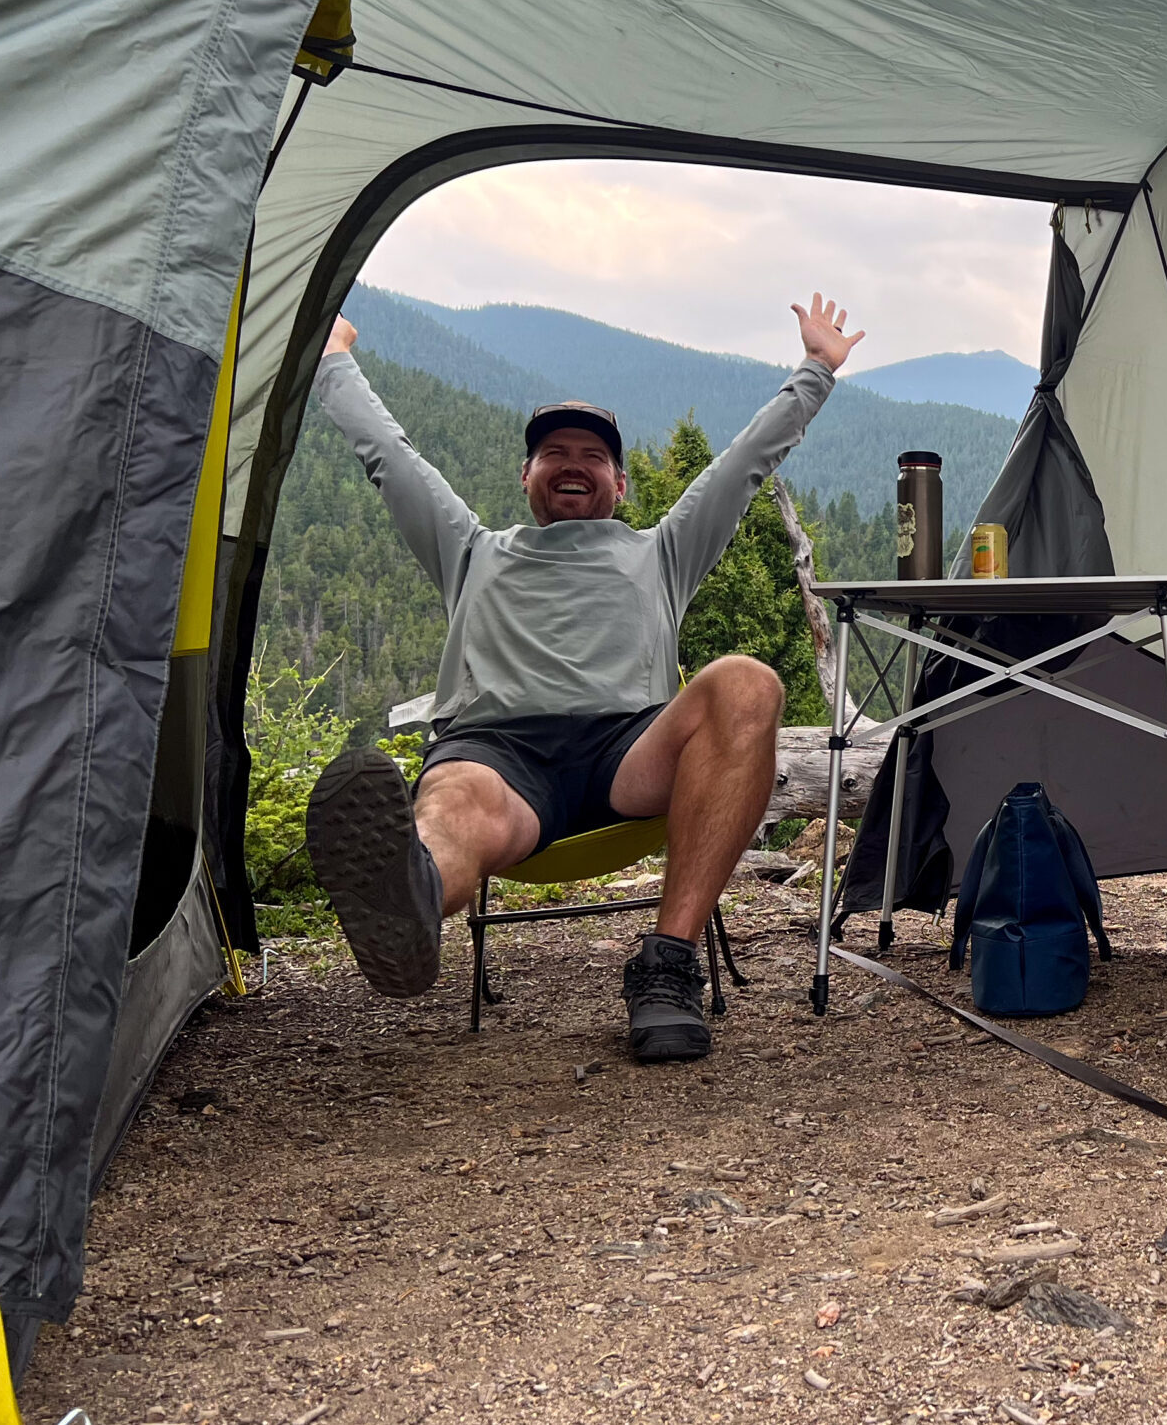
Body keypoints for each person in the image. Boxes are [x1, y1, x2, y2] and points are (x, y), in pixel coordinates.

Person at [301, 294, 864, 1063]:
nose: (573, 464)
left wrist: (818, 370)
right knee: (456, 799)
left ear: (620, 486)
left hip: (627, 753)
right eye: (555, 454)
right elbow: (389, 457)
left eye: (593, 456)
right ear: (527, 475)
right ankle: (411, 899)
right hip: (496, 755)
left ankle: (667, 969)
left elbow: (744, 465)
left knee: (747, 682)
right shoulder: (471, 551)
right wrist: (333, 357)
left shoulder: (660, 551)